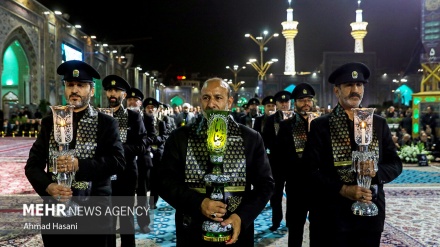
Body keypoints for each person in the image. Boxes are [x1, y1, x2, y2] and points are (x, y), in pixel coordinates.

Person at [157, 77, 274, 246]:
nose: (211, 104)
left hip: (236, 228)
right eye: (206, 98)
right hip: (192, 227)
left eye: (218, 98)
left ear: (230, 102)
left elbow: (266, 184)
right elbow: (164, 181)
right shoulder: (180, 137)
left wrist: (241, 216)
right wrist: (199, 203)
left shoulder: (250, 138)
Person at [25, 60, 126, 246]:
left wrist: (79, 165)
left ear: (92, 90)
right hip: (57, 207)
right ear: (65, 88)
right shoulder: (50, 122)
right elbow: (32, 166)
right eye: (70, 85)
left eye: (81, 85)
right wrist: (48, 187)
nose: (75, 90)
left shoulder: (106, 123)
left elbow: (118, 162)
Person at [303, 62, 402, 247]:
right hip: (331, 214)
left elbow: (395, 163)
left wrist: (376, 172)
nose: (355, 90)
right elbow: (310, 169)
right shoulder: (321, 126)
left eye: (359, 85)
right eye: (348, 85)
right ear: (337, 91)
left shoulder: (378, 123)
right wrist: (343, 189)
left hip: (370, 213)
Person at [102, 75, 148, 247]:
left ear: (124, 95)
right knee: (107, 220)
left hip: (126, 174)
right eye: (110, 90)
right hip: (105, 176)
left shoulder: (134, 118)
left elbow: (142, 146)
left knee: (126, 218)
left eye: (117, 90)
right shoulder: (99, 116)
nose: (112, 93)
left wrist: (118, 148)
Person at [277, 83, 316, 246]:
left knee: (319, 229)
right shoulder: (287, 126)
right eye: (302, 100)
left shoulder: (321, 124)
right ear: (295, 102)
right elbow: (281, 157)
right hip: (296, 187)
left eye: (309, 100)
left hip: (318, 187)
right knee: (295, 229)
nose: (306, 103)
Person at [262, 90, 293, 231]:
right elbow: (266, 140)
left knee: (293, 194)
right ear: (277, 104)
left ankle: (290, 221)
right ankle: (276, 221)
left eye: (286, 102)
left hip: (293, 164)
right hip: (276, 163)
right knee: (276, 195)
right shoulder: (271, 120)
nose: (284, 104)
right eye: (281, 102)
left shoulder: (296, 118)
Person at [125, 87, 154, 233]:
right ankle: (126, 222)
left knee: (142, 194)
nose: (132, 102)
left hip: (142, 160)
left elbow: (151, 137)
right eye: (129, 99)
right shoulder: (122, 117)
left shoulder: (147, 118)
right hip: (128, 161)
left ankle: (143, 223)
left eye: (135, 100)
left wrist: (140, 143)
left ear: (140, 103)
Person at [143, 97, 169, 210]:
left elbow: (165, 136)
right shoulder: (141, 121)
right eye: (148, 107)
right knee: (145, 180)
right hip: (145, 154)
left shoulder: (161, 121)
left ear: (157, 109)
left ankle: (153, 202)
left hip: (158, 154)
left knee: (155, 180)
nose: (150, 109)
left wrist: (155, 140)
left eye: (152, 107)